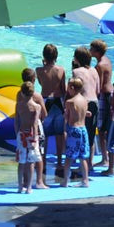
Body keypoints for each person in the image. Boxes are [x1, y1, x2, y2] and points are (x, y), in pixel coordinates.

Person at [36, 43, 67, 177]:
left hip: (45, 101)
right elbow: (63, 89)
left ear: (44, 56)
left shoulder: (39, 70)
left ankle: (42, 162)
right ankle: (60, 162)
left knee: (45, 135)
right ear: (56, 56)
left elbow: (42, 84)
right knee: (60, 134)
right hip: (58, 102)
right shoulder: (61, 70)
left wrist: (44, 64)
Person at [20, 68, 49, 189]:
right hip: (35, 128)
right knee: (39, 154)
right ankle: (39, 181)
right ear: (34, 79)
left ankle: (26, 181)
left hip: (23, 128)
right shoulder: (36, 95)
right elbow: (44, 114)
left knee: (25, 154)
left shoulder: (19, 94)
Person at [72, 46, 100, 161]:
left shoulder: (76, 71)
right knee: (91, 134)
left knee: (81, 132)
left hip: (84, 103)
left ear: (77, 59)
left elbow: (74, 90)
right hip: (95, 102)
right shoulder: (94, 70)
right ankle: (90, 163)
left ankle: (82, 163)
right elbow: (98, 90)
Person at [14, 82, 42, 194]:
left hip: (21, 133)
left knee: (21, 162)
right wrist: (35, 138)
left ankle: (20, 186)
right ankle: (29, 187)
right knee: (31, 162)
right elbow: (35, 123)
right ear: (32, 93)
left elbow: (16, 121)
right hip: (31, 135)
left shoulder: (18, 105)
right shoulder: (36, 106)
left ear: (22, 92)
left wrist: (17, 133)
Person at [62, 78, 90, 188]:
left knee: (69, 157)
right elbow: (83, 113)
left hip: (74, 130)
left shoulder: (70, 102)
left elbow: (67, 117)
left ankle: (65, 181)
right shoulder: (84, 100)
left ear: (72, 88)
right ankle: (85, 180)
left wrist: (65, 128)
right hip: (83, 129)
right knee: (82, 157)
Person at [91, 40, 113, 167]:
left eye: (91, 48)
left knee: (101, 129)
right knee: (108, 127)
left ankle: (105, 159)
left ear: (97, 51)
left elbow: (98, 86)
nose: (89, 50)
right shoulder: (107, 60)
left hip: (103, 97)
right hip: (109, 94)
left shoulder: (99, 66)